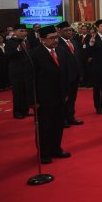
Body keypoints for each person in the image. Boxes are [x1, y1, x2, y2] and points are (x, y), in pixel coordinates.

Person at [31, 25, 70, 164]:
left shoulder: (61, 51)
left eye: (56, 37)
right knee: (45, 127)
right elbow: (30, 79)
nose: (55, 40)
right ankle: (44, 153)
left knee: (58, 124)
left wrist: (65, 92)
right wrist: (33, 100)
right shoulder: (35, 54)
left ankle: (56, 149)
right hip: (43, 99)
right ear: (42, 40)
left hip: (59, 96)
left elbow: (64, 74)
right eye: (51, 38)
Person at [56, 21, 84, 127]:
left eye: (70, 30)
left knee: (72, 98)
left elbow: (78, 59)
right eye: (66, 30)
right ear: (59, 32)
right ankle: (63, 119)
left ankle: (71, 117)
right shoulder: (58, 43)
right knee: (64, 98)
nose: (69, 32)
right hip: (65, 76)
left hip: (75, 75)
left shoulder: (74, 42)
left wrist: (80, 73)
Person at [5, 24, 34, 119]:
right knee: (18, 93)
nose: (24, 33)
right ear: (16, 32)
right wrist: (17, 49)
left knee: (26, 91)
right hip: (16, 72)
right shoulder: (10, 42)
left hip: (27, 71)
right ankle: (17, 112)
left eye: (25, 31)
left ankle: (25, 110)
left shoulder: (26, 42)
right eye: (21, 31)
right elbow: (8, 55)